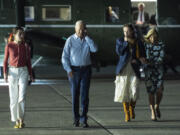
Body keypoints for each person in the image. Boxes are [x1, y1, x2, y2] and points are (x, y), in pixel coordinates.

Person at [61, 20, 98, 128]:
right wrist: (68, 70)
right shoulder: (70, 40)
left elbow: (95, 49)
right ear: (75, 29)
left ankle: (84, 119)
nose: (81, 31)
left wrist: (87, 37)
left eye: (83, 29)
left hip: (86, 70)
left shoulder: (88, 39)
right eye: (79, 29)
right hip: (74, 71)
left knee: (84, 96)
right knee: (75, 96)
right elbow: (64, 57)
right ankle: (76, 118)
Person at [3, 27, 34, 128]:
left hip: (23, 71)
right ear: (14, 35)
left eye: (23, 34)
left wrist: (31, 74)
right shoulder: (9, 46)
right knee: (13, 97)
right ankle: (16, 120)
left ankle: (21, 119)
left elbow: (28, 62)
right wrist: (4, 73)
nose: (22, 36)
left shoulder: (26, 46)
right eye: (20, 34)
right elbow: (5, 60)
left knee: (22, 96)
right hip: (12, 72)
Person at [114, 24, 146, 122]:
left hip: (134, 69)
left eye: (128, 31)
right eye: (124, 31)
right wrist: (125, 43)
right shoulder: (120, 41)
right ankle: (127, 112)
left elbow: (143, 55)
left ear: (132, 31)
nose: (126, 33)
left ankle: (132, 107)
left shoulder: (138, 42)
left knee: (134, 91)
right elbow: (119, 52)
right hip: (123, 69)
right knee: (124, 92)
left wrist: (138, 61)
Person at [143, 28, 165, 121]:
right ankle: (152, 111)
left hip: (158, 70)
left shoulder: (161, 45)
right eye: (151, 36)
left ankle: (157, 106)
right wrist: (145, 61)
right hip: (148, 71)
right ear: (149, 36)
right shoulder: (145, 45)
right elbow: (143, 57)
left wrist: (153, 62)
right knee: (151, 92)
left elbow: (161, 57)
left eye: (155, 36)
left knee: (160, 91)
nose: (153, 38)